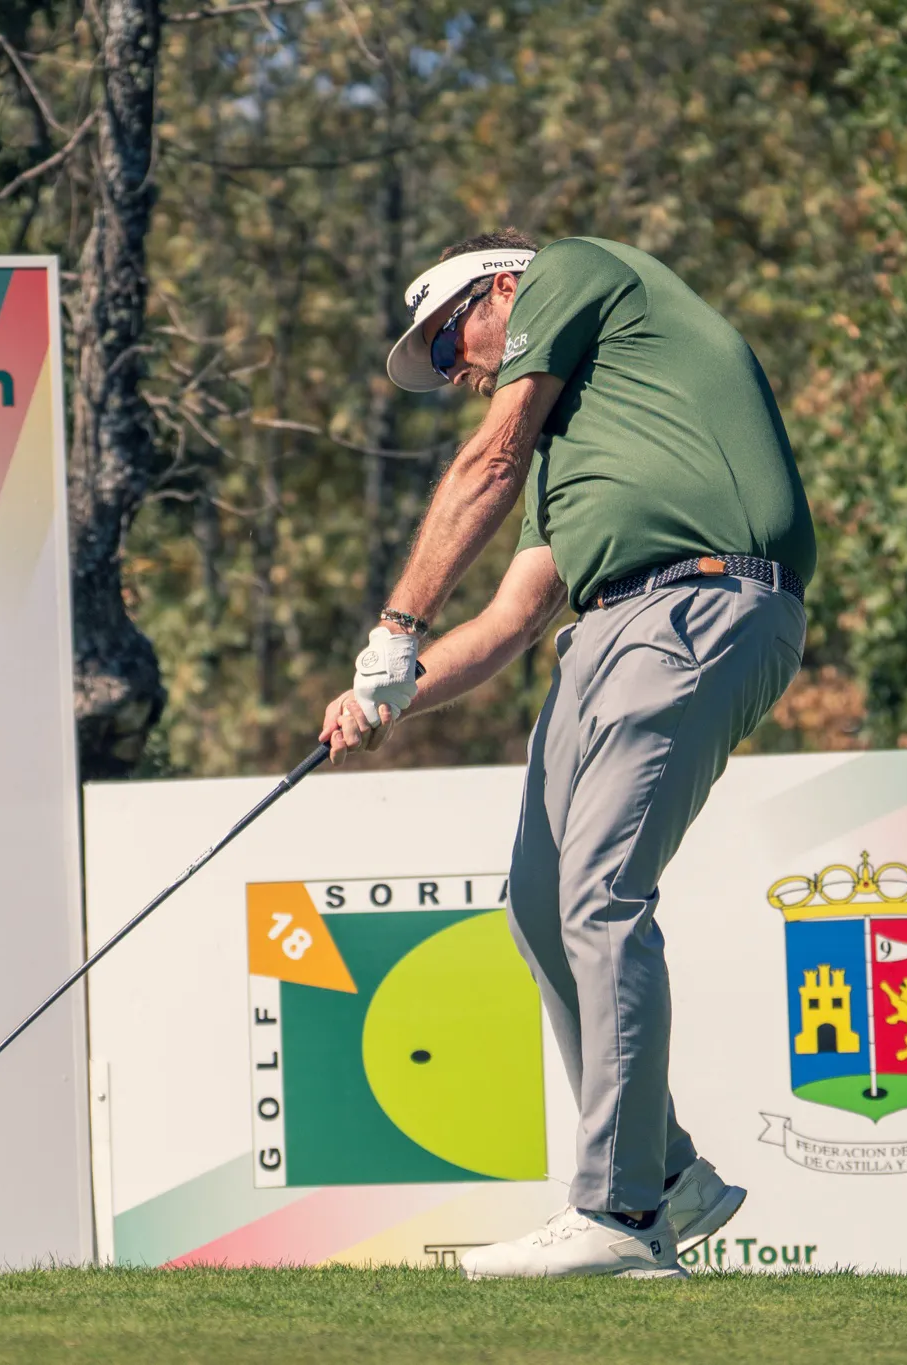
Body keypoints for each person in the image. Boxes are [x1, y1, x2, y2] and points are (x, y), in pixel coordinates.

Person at [319, 230, 814, 1279]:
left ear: (502, 286)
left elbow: (484, 459)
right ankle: (671, 1174)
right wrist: (387, 694)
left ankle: (620, 1215)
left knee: (600, 895)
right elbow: (507, 620)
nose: (455, 370)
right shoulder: (574, 449)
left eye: (450, 339)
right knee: (540, 902)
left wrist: (396, 624)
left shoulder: (574, 272)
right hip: (602, 632)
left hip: (701, 599)